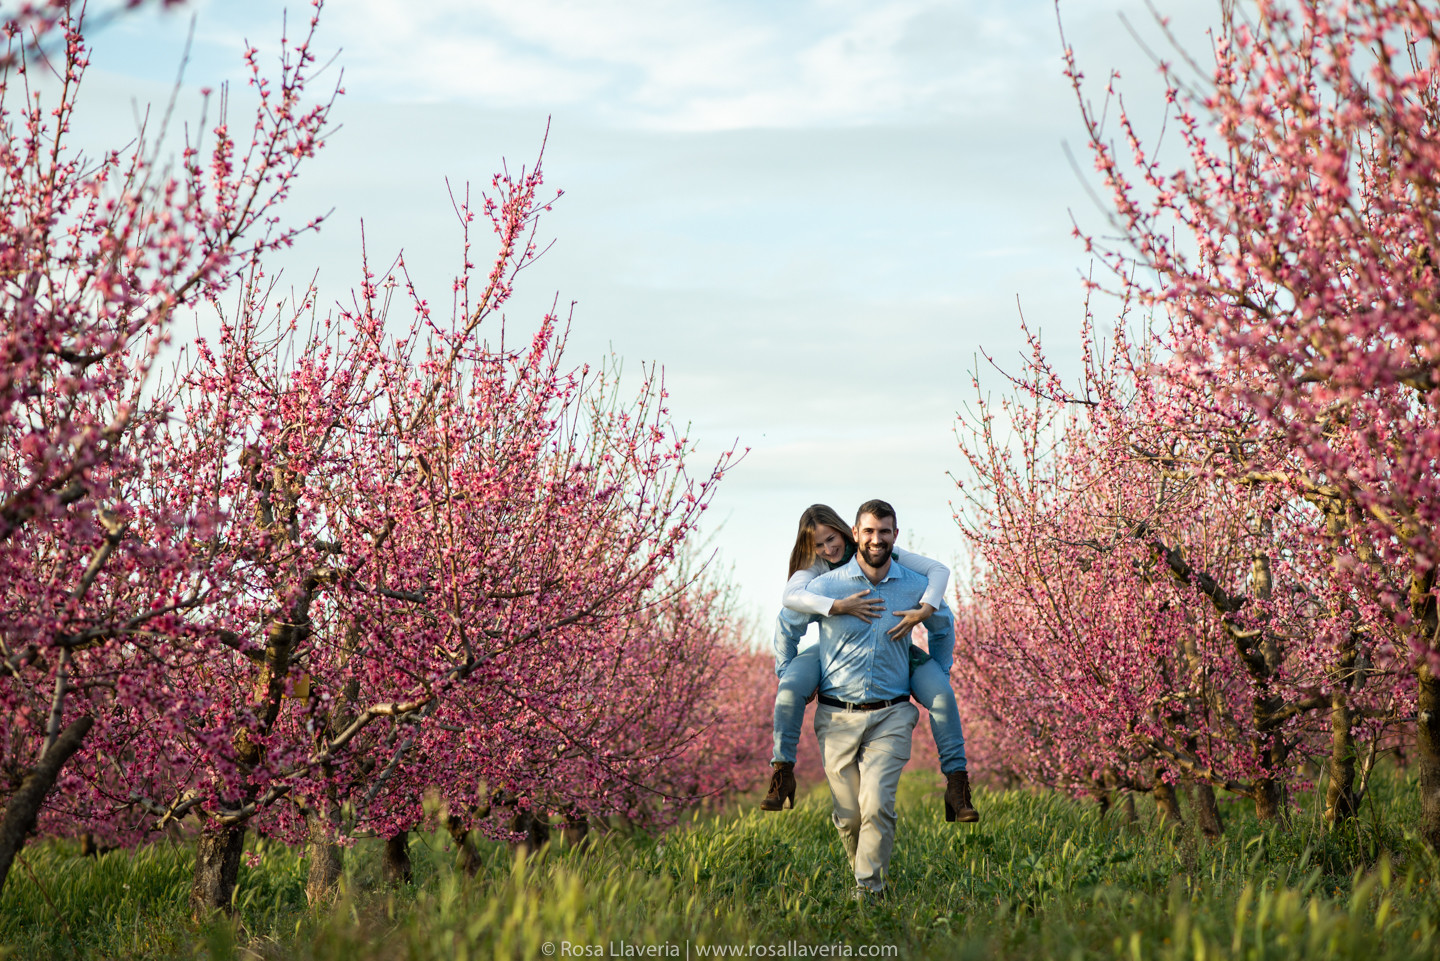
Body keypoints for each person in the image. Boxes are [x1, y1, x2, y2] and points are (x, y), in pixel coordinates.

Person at [775, 499, 960, 897]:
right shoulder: (822, 585)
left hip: (891, 713)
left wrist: (939, 671)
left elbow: (943, 622)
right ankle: (863, 871)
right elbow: (787, 622)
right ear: (856, 533)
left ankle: (868, 891)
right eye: (869, 532)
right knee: (849, 815)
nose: (877, 539)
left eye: (885, 532)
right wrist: (786, 671)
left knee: (877, 805)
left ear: (895, 535)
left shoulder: (912, 582)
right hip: (836, 715)